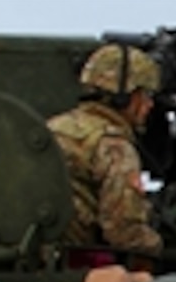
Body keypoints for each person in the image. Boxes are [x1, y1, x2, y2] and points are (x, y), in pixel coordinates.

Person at [48, 43, 164, 266]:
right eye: (145, 95)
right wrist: (158, 245)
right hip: (77, 265)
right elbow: (123, 231)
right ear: (124, 97)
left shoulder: (53, 127)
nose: (150, 105)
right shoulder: (114, 146)